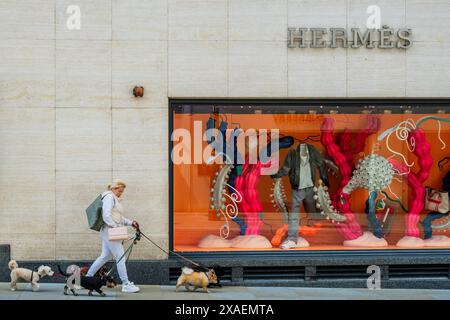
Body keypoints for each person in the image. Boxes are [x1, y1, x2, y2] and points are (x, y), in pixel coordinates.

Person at [271, 143, 330, 249]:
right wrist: (275, 175)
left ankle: (319, 230)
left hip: (310, 187)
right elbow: (286, 168)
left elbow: (321, 164)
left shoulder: (312, 151)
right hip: (297, 188)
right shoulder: (293, 153)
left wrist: (325, 179)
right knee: (294, 214)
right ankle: (292, 239)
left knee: (313, 211)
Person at [86, 180, 140, 293]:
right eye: (120, 191)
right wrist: (115, 227)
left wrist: (130, 223)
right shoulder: (109, 197)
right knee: (120, 257)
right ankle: (126, 284)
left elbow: (118, 217)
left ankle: (88, 278)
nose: (121, 193)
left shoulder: (112, 198)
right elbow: (106, 215)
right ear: (114, 189)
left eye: (122, 191)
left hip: (108, 230)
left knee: (104, 256)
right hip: (110, 230)